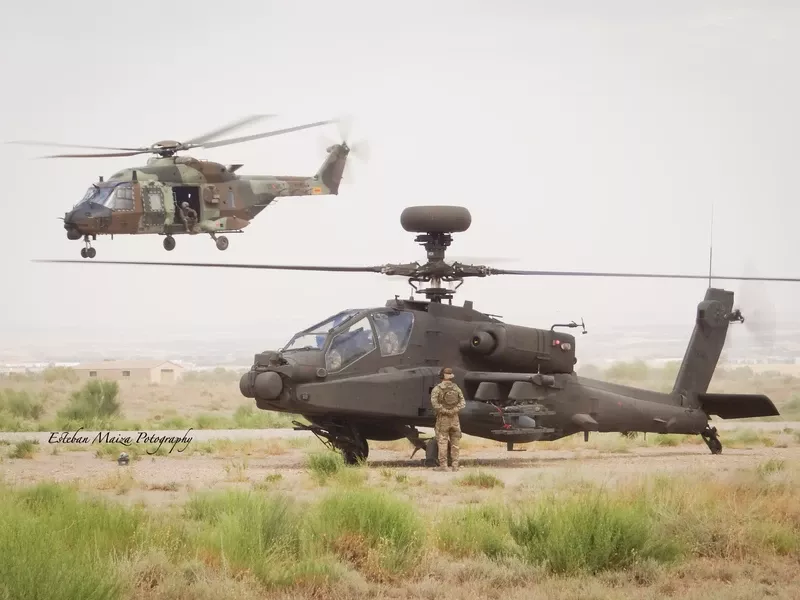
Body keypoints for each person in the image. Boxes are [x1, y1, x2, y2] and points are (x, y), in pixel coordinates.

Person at [430, 367, 466, 471]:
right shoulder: (456, 388)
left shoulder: (437, 389)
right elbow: (463, 403)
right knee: (455, 443)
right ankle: (455, 466)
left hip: (443, 419)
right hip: (455, 419)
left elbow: (435, 404)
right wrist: (454, 410)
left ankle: (443, 466)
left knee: (442, 442)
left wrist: (445, 411)